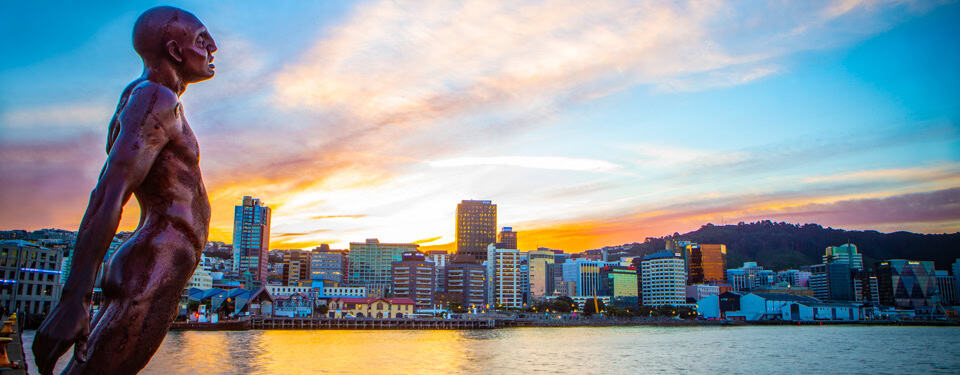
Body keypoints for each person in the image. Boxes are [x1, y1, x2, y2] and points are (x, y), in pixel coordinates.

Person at [32, 6, 217, 374]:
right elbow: (109, 191)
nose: (213, 47)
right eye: (201, 40)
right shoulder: (155, 99)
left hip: (159, 263)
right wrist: (74, 300)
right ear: (175, 52)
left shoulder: (145, 96)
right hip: (155, 264)